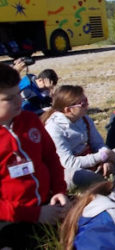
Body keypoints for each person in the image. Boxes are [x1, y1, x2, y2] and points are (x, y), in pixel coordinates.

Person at [0, 63, 69, 249]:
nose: (18, 101)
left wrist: (60, 191)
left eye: (18, 94)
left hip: (47, 204)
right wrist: (36, 214)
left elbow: (51, 158)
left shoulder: (30, 120)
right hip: (11, 218)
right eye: (9, 98)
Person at [42, 85, 115, 189]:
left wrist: (106, 160)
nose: (87, 105)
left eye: (86, 100)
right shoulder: (54, 128)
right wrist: (101, 157)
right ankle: (108, 185)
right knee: (79, 175)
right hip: (69, 170)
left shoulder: (84, 119)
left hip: (92, 161)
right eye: (82, 104)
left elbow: (98, 144)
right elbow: (68, 163)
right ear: (68, 110)